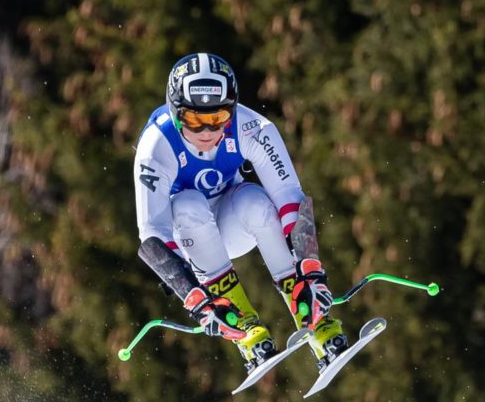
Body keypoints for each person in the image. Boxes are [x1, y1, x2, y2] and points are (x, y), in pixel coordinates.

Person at [133, 52, 348, 374]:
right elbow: (152, 233)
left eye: (218, 118)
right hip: (189, 239)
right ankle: (246, 331)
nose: (207, 130)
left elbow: (290, 197)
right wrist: (196, 299)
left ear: (231, 111)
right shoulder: (156, 146)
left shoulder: (252, 128)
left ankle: (314, 318)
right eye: (194, 120)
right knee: (188, 203)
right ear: (176, 113)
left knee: (257, 201)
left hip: (235, 222)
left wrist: (311, 271)